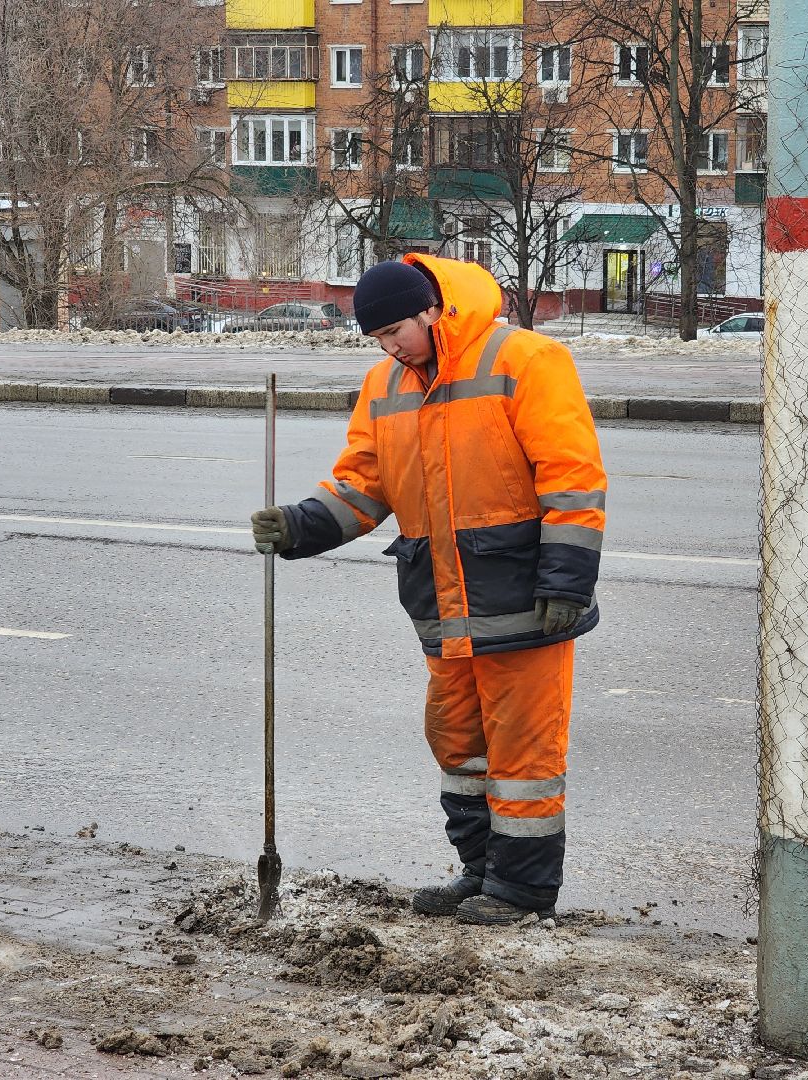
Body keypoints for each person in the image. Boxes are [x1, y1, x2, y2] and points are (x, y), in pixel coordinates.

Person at [250, 254, 607, 926]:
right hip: (442, 605)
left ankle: (523, 893)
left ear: (431, 310)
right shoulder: (385, 383)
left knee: (523, 754)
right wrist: (296, 527)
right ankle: (481, 871)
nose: (389, 347)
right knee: (458, 744)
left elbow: (572, 476)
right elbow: (363, 486)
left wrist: (567, 580)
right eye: (378, 339)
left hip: (524, 599)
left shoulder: (524, 359)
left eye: (395, 333)